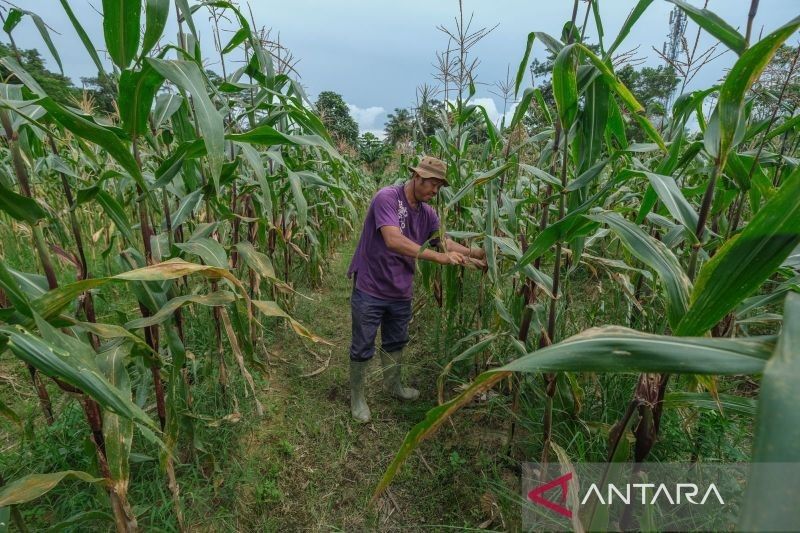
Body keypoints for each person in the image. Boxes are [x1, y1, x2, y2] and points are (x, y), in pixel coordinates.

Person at [346, 155, 486, 422]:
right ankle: (357, 396)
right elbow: (393, 240)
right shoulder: (387, 198)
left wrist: (476, 253)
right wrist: (439, 258)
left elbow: (441, 242)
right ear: (416, 177)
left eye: (439, 187)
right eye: (432, 184)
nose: (435, 191)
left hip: (400, 289)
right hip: (371, 285)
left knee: (396, 340)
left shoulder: (428, 213)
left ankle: (393, 385)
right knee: (363, 343)